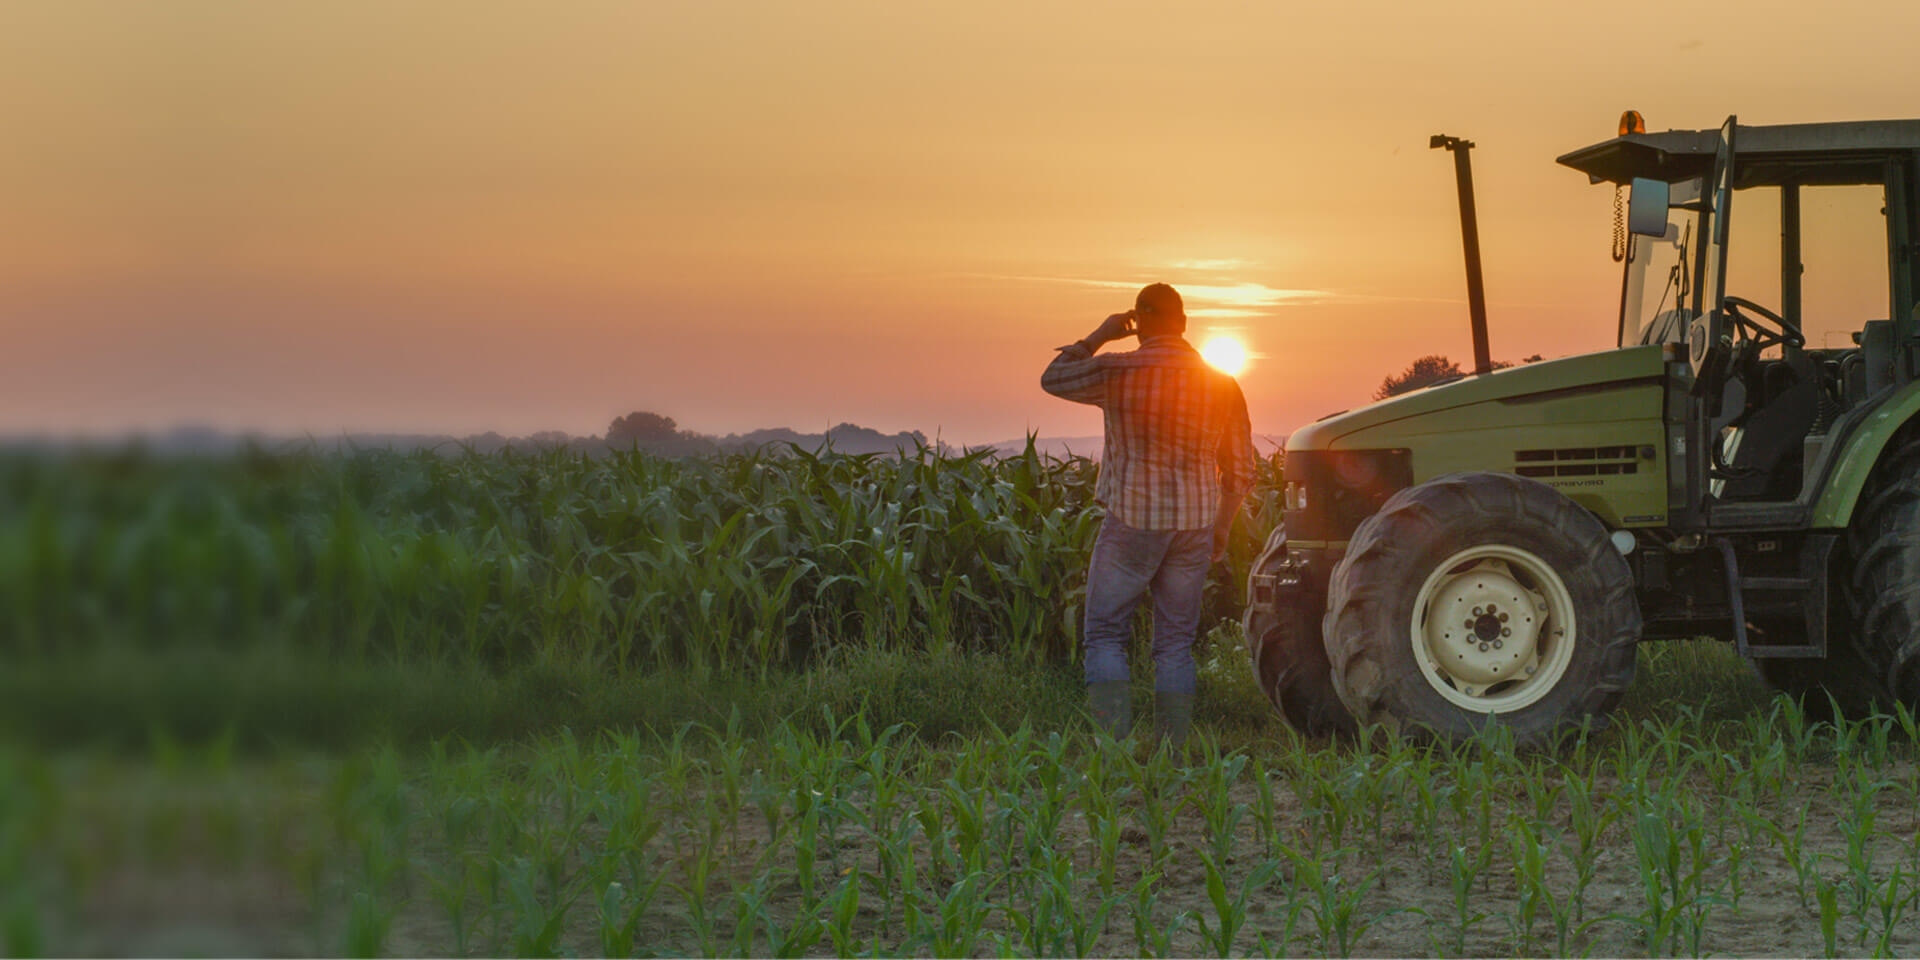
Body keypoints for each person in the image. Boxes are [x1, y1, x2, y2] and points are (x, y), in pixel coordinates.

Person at [1040, 282, 1256, 748]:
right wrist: (1221, 528)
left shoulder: (1117, 370)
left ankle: (1113, 753)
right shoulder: (1221, 382)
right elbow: (1240, 471)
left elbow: (1053, 377)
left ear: (1137, 323)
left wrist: (1099, 334)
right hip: (1194, 525)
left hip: (1132, 524)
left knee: (1104, 635)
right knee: (1175, 645)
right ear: (1183, 323)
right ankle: (1171, 756)